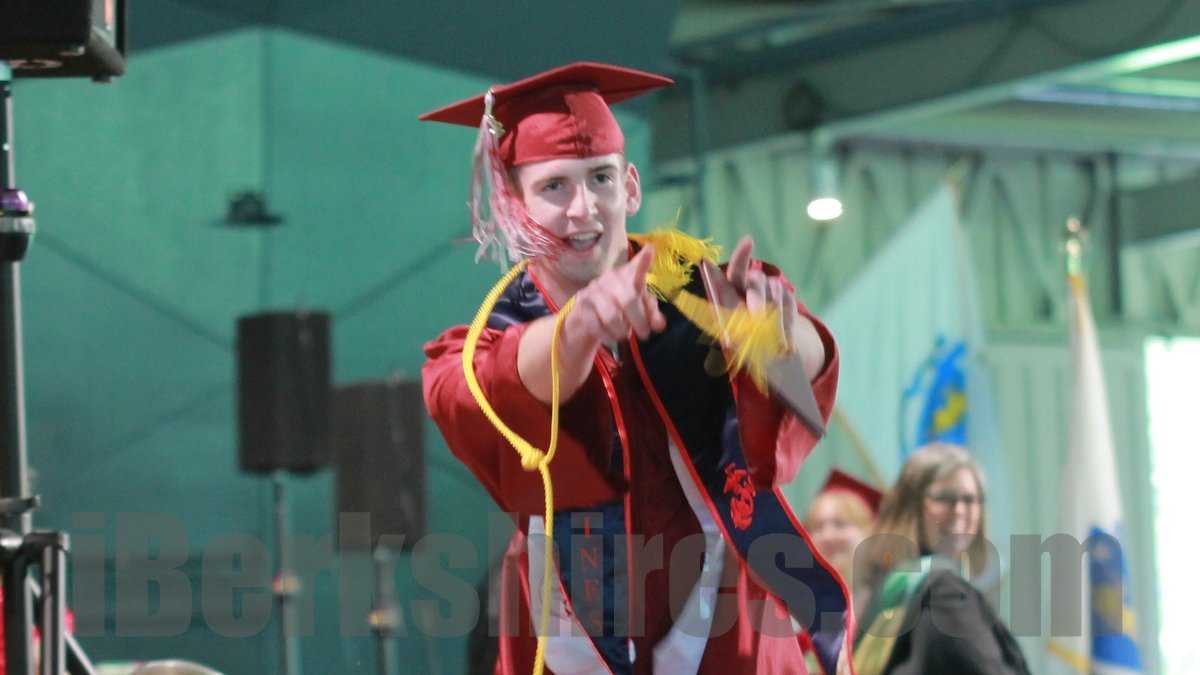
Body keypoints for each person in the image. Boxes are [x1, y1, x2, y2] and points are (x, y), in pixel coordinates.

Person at [420, 62, 850, 674]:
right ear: (514, 204)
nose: (583, 208)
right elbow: (485, 392)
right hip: (570, 636)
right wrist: (580, 326)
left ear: (631, 187)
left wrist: (778, 341)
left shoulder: (705, 292)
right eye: (554, 186)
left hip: (732, 636)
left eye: (600, 178)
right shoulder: (489, 340)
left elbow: (808, 373)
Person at [851, 443, 1029, 675]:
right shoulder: (943, 592)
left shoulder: (886, 588)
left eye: (970, 499)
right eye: (945, 498)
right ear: (910, 505)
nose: (959, 510)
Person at [804, 469, 882, 590]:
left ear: (868, 531)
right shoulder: (795, 597)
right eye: (817, 527)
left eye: (839, 524)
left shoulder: (887, 593)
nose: (827, 536)